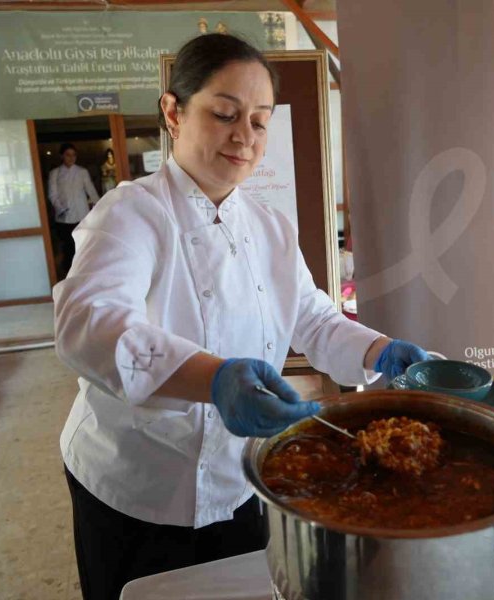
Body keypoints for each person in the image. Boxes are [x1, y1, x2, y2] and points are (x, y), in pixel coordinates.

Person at [55, 34, 429, 600]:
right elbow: (89, 322)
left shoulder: (269, 226)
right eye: (224, 114)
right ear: (173, 111)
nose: (244, 137)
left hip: (240, 477)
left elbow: (312, 318)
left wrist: (380, 351)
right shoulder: (133, 212)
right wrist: (213, 379)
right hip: (135, 483)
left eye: (259, 121)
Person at [48, 143, 100, 278]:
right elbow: (52, 194)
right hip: (64, 217)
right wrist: (61, 208)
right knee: (68, 246)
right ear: (62, 156)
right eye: (68, 155)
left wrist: (101, 207)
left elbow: (91, 191)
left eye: (73, 155)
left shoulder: (82, 172)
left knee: (83, 244)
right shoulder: (55, 173)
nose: (71, 158)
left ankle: (84, 273)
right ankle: (69, 275)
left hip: (81, 214)